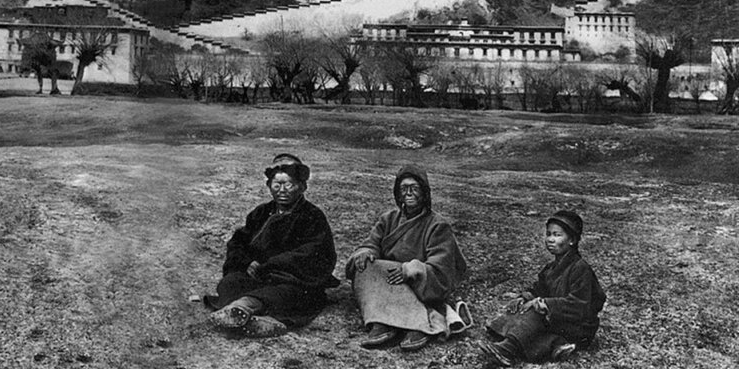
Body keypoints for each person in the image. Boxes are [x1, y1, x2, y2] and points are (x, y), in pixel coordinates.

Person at [205, 153, 340, 337]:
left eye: (289, 185)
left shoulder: (312, 216)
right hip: (257, 276)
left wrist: (273, 265)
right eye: (277, 185)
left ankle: (242, 308)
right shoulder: (261, 213)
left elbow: (313, 252)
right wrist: (247, 262)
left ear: (302, 187)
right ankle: (255, 318)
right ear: (269, 186)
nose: (282, 190)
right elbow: (238, 242)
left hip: (292, 278)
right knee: (230, 283)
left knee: (288, 294)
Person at [345, 164, 469, 351]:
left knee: (413, 280)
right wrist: (366, 252)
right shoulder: (388, 219)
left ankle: (417, 325)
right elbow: (371, 243)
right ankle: (383, 323)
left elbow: (441, 268)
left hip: (417, 283)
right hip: (389, 279)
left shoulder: (438, 225)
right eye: (404, 189)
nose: (409, 193)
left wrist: (412, 269)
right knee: (363, 266)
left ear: (425, 193)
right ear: (398, 193)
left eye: (415, 188)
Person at [480, 210, 606, 366]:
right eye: (548, 234)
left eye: (557, 235)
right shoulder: (551, 268)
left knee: (535, 315)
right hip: (559, 320)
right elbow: (539, 289)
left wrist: (546, 304)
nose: (550, 240)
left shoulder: (580, 269)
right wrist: (524, 298)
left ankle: (508, 349)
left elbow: (580, 305)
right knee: (519, 313)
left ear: (572, 240)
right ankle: (556, 344)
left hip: (578, 325)